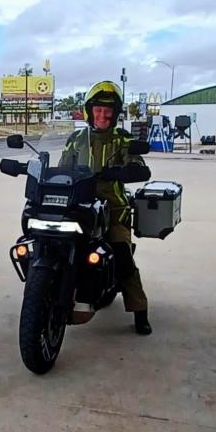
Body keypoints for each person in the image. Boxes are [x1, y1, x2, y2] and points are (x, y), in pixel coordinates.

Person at [60, 81, 153, 335]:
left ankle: (140, 311)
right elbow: (61, 167)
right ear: (90, 111)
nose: (103, 115)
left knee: (122, 256)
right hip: (78, 204)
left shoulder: (123, 140)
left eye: (108, 111)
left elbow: (141, 167)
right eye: (98, 109)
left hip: (113, 211)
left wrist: (125, 171)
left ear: (115, 113)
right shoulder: (76, 139)